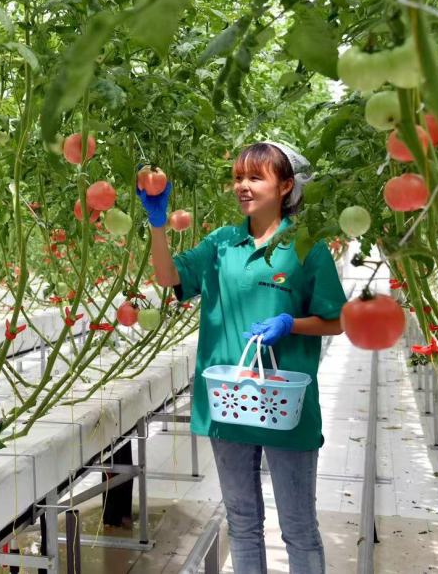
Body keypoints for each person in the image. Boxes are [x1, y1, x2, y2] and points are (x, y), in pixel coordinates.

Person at [138, 142, 346, 574]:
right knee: (243, 522)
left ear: (286, 185)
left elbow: (336, 321)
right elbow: (168, 277)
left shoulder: (307, 246)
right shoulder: (222, 243)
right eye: (237, 178)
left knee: (298, 526)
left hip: (285, 405)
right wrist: (157, 223)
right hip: (229, 401)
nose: (243, 187)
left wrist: (291, 323)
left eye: (255, 177)